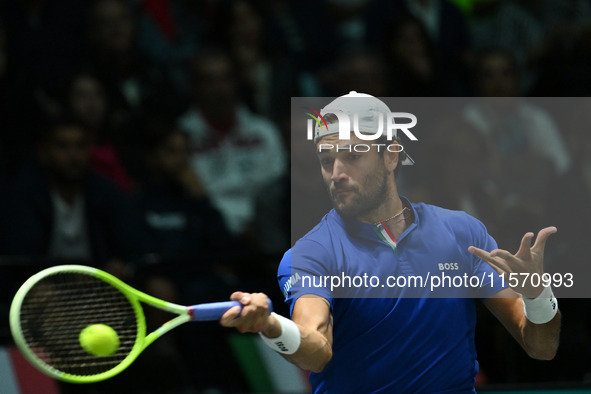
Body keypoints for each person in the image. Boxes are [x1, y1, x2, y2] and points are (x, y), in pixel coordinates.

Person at [220, 92, 561, 392]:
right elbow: (317, 349)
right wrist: (272, 325)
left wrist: (537, 293)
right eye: (327, 161)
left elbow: (541, 347)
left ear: (390, 156)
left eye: (353, 156)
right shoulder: (310, 254)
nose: (337, 172)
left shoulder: (462, 233)